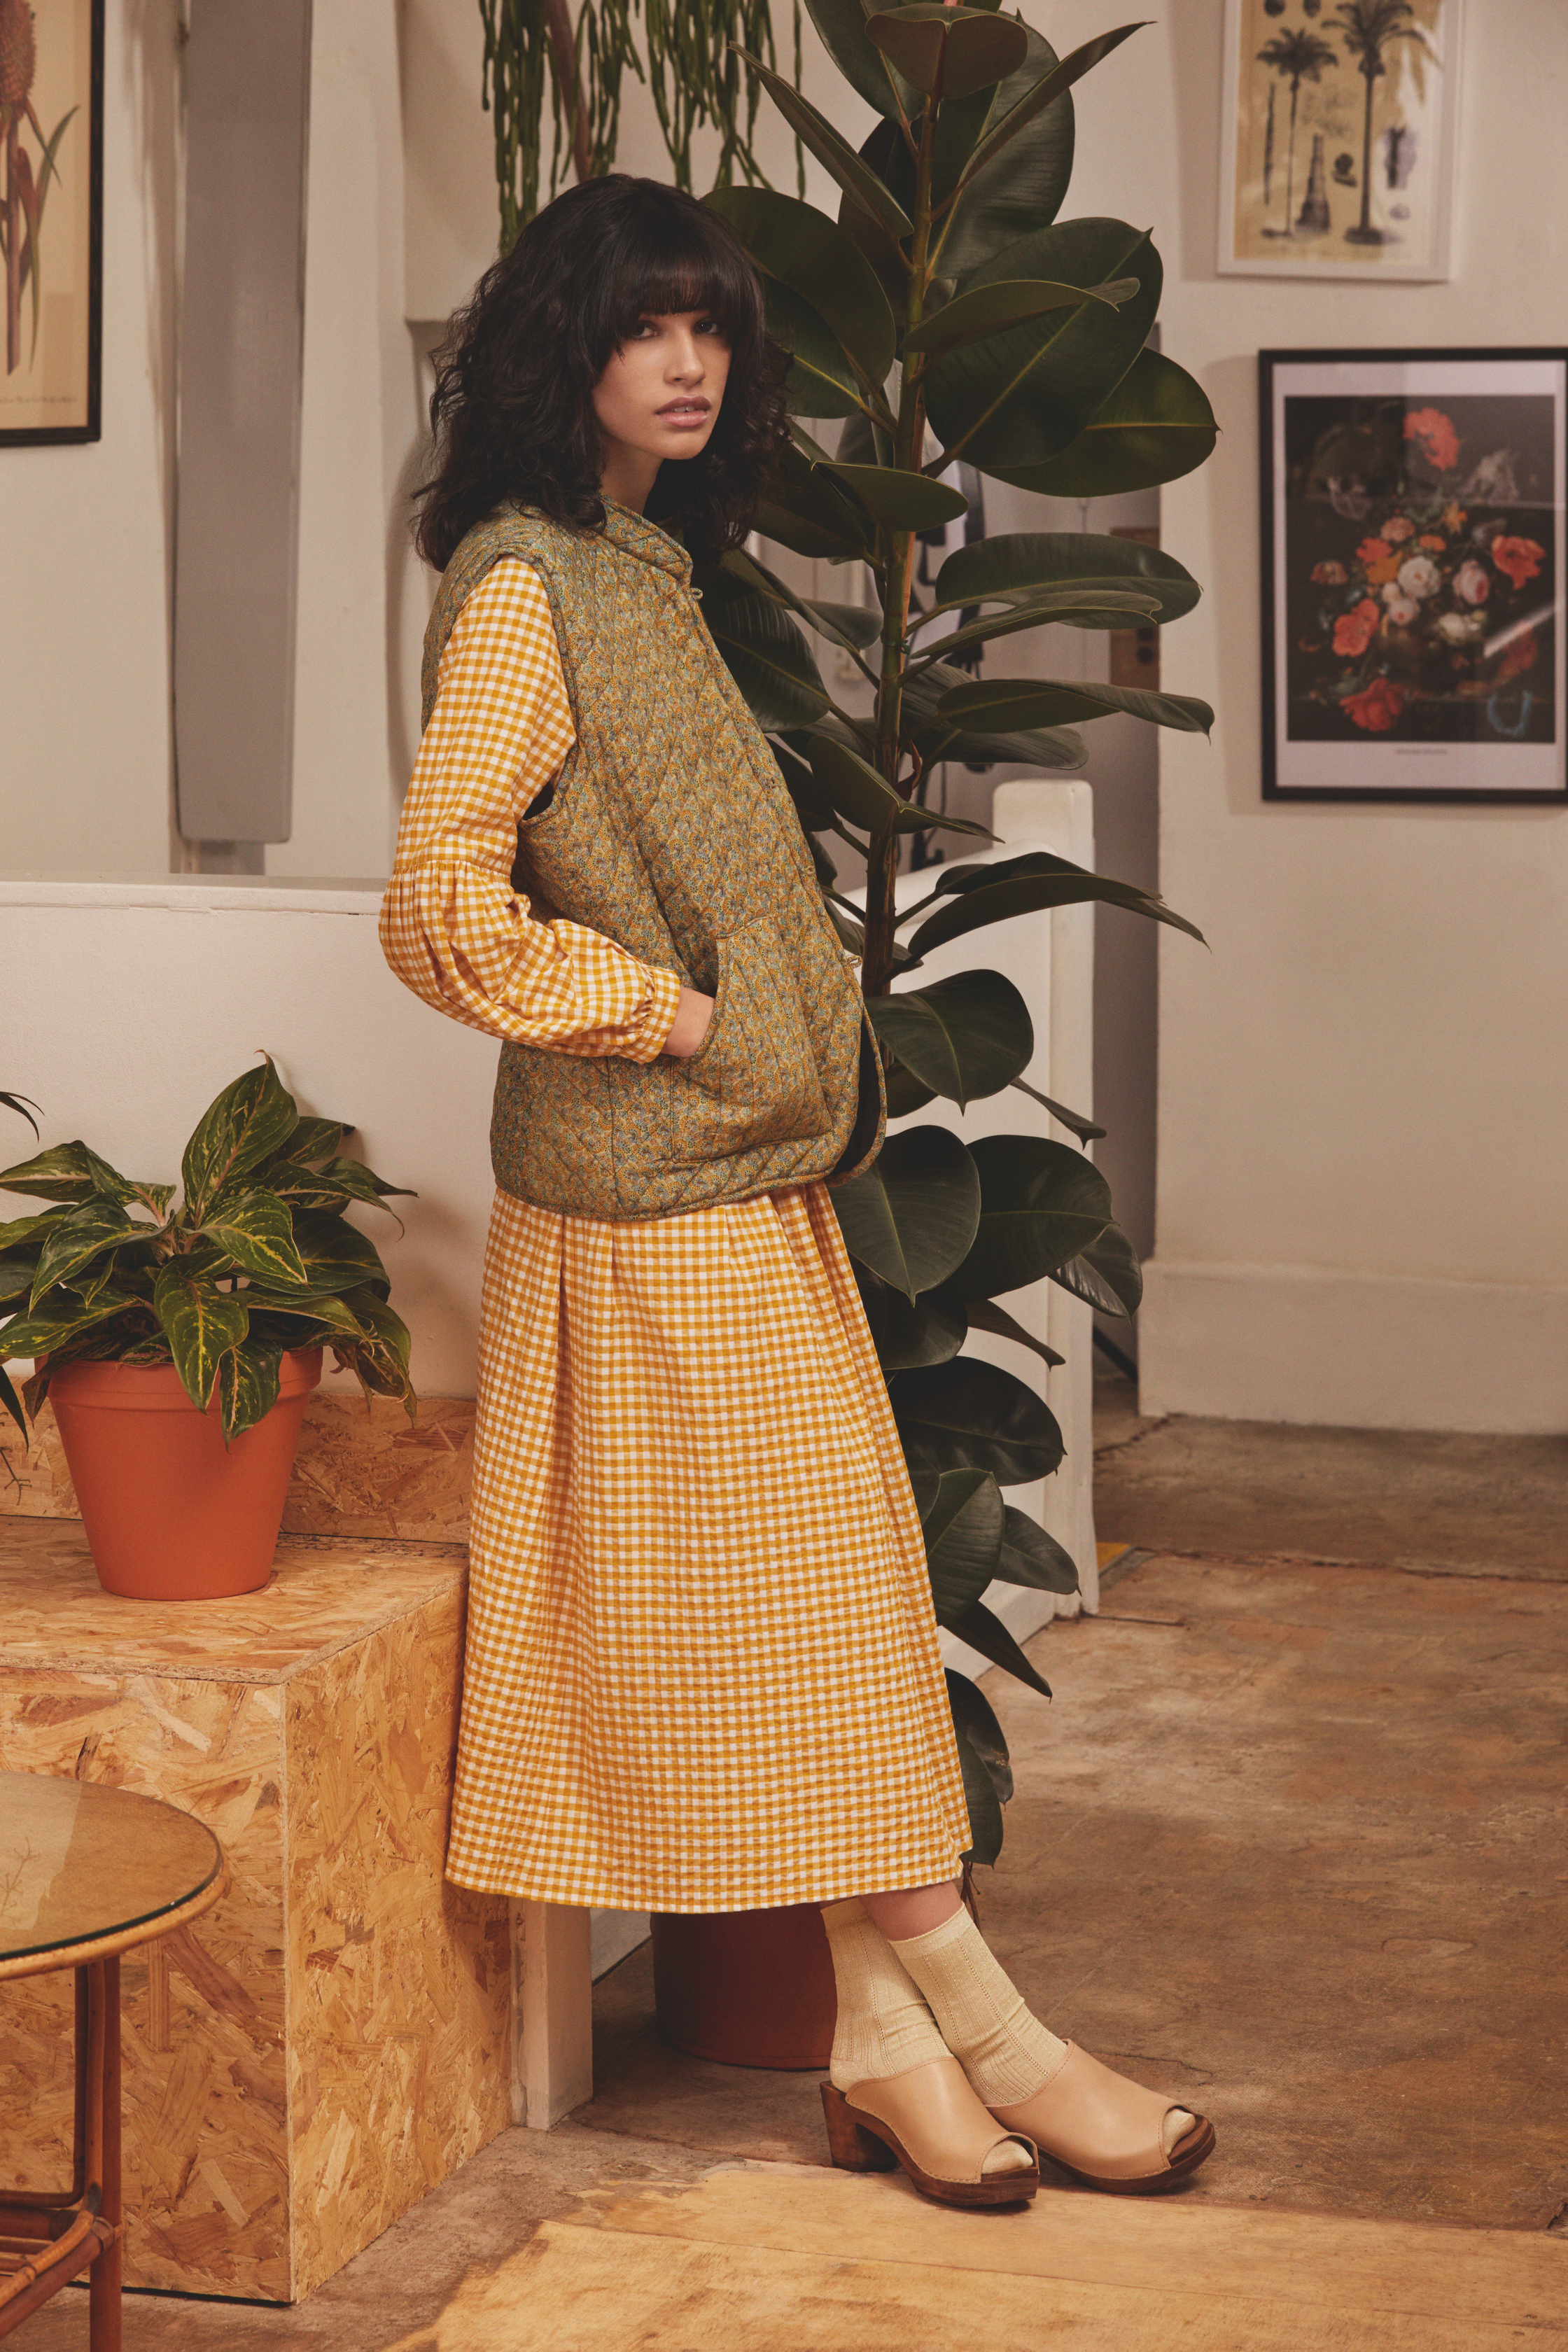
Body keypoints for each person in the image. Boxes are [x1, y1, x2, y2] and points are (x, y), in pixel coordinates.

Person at [380, 173, 1214, 2209]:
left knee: (812, 1620)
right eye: (648, 326)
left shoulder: (637, 564)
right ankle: (986, 2031)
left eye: (714, 330)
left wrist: (733, 1060)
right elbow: (433, 905)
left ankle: (882, 2045)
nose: (690, 364)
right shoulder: (522, 585)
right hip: (645, 1194)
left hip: (735, 1177)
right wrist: (663, 1020)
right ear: (556, 348)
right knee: (816, 1611)